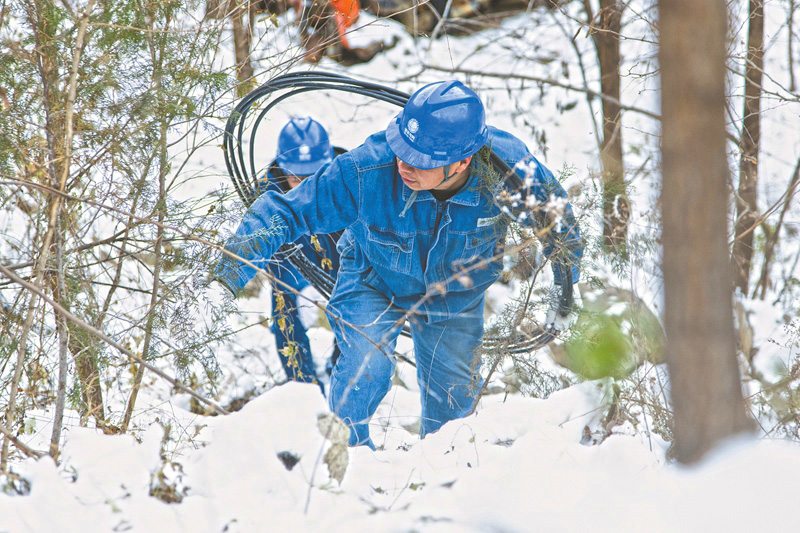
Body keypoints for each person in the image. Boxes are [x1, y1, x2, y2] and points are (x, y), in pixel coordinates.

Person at [215, 81, 582, 448]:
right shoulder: (368, 169)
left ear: (462, 162)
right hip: (372, 278)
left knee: (451, 410)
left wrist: (565, 292)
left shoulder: (508, 174)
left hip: (455, 297)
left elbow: (560, 226)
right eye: (401, 148)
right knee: (365, 366)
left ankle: (437, 473)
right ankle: (346, 457)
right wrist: (224, 280)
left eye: (420, 159)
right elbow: (284, 210)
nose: (404, 163)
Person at [252, 117, 343, 393]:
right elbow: (271, 258)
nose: (303, 186)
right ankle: (303, 388)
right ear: (283, 170)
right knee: (284, 307)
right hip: (295, 257)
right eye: (295, 178)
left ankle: (343, 376)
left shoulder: (348, 178)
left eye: (311, 177)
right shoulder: (267, 196)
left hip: (341, 253)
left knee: (355, 304)